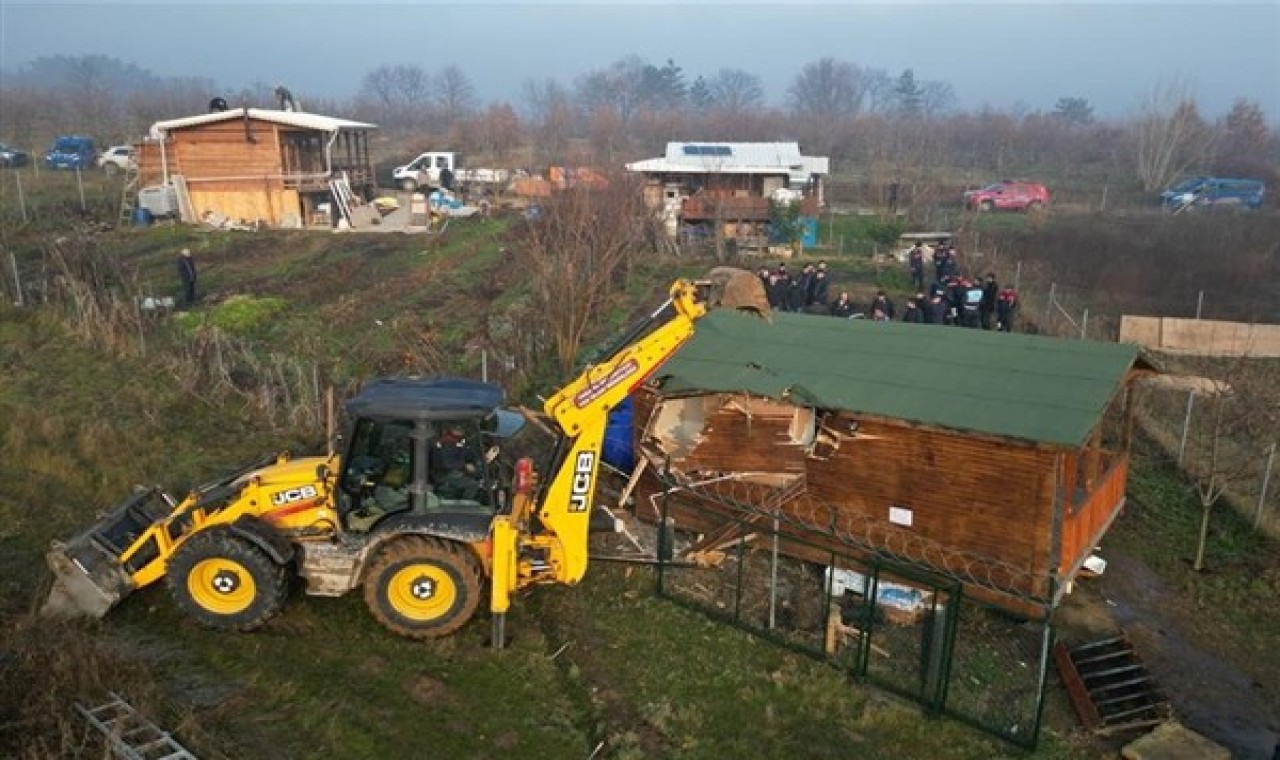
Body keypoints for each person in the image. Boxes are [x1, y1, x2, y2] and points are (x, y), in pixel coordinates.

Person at [431, 425, 483, 501]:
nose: (461, 431)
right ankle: (466, 504)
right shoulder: (447, 442)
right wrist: (465, 465)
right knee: (473, 484)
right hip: (444, 474)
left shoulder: (459, 441)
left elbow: (467, 452)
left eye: (461, 429)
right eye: (457, 429)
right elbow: (447, 463)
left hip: (455, 471)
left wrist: (478, 458)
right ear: (452, 430)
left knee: (478, 476)